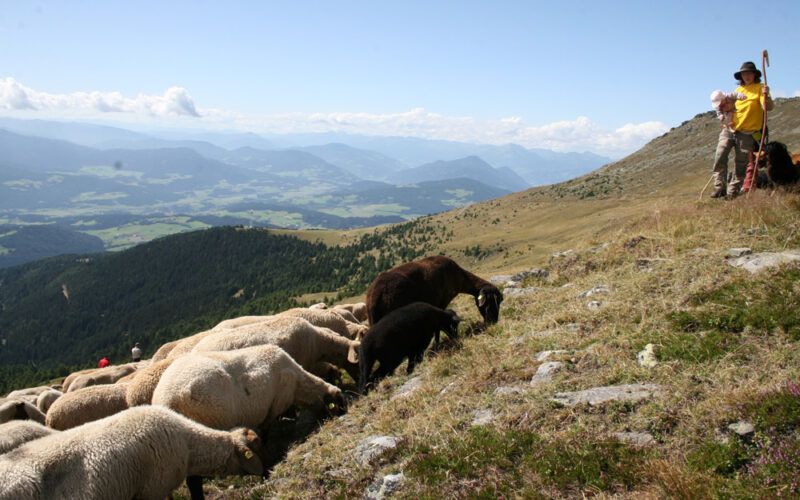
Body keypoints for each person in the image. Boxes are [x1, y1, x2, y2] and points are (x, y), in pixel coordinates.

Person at [730, 61, 773, 197]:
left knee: (750, 160)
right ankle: (738, 187)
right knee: (739, 159)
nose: (746, 76)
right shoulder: (737, 91)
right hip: (737, 130)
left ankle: (747, 187)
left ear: (754, 74)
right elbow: (731, 109)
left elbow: (767, 107)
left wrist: (766, 96)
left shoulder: (761, 88)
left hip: (754, 132)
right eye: (744, 74)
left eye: (749, 73)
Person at [709, 90, 747, 198]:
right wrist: (720, 116)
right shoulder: (719, 107)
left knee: (741, 161)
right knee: (720, 156)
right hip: (728, 128)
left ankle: (733, 192)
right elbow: (719, 113)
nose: (719, 105)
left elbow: (736, 95)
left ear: (723, 98)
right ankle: (719, 187)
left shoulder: (731, 96)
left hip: (743, 129)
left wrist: (740, 96)